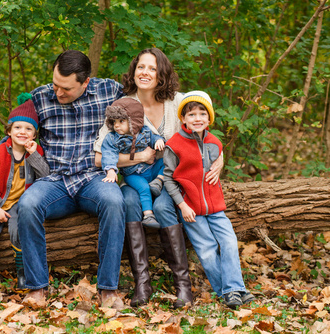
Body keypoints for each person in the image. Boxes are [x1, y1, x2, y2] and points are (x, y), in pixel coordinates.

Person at [0, 50, 126, 309]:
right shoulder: (40, 96)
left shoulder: (111, 91)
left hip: (94, 179)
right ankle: (36, 287)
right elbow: (17, 129)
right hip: (54, 180)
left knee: (115, 202)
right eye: (55, 84)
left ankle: (108, 290)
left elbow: (144, 111)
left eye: (66, 88)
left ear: (85, 82)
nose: (58, 92)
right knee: (27, 205)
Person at [94, 48, 223, 308]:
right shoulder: (123, 107)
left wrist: (220, 158)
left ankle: (182, 286)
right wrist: (139, 158)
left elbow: (205, 133)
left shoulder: (179, 101)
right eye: (141, 67)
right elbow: (99, 157)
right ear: (133, 71)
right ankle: (143, 283)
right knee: (129, 202)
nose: (145, 73)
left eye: (152, 68)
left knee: (165, 206)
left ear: (161, 73)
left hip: (171, 180)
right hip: (134, 178)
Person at [163, 90, 255, 309]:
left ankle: (232, 289)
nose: (197, 118)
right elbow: (168, 179)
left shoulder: (215, 143)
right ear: (183, 118)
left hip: (215, 207)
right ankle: (230, 291)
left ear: (209, 117)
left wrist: (220, 163)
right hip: (191, 209)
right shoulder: (174, 145)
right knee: (207, 248)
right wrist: (182, 205)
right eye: (191, 114)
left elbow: (214, 160)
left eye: (202, 113)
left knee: (230, 242)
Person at [0, 98, 49, 292]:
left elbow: (46, 176)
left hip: (20, 203)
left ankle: (23, 277)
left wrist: (34, 155)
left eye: (28, 129)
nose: (22, 132)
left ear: (34, 133)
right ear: (9, 131)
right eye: (17, 127)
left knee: (19, 235)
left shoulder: (36, 150)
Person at [101, 98, 165, 229]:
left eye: (121, 121)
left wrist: (159, 140)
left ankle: (159, 180)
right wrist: (111, 170)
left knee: (166, 162)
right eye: (114, 122)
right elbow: (108, 154)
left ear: (134, 121)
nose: (116, 125)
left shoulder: (145, 132)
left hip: (151, 169)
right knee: (144, 189)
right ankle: (148, 215)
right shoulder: (113, 138)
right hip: (133, 174)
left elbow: (154, 138)